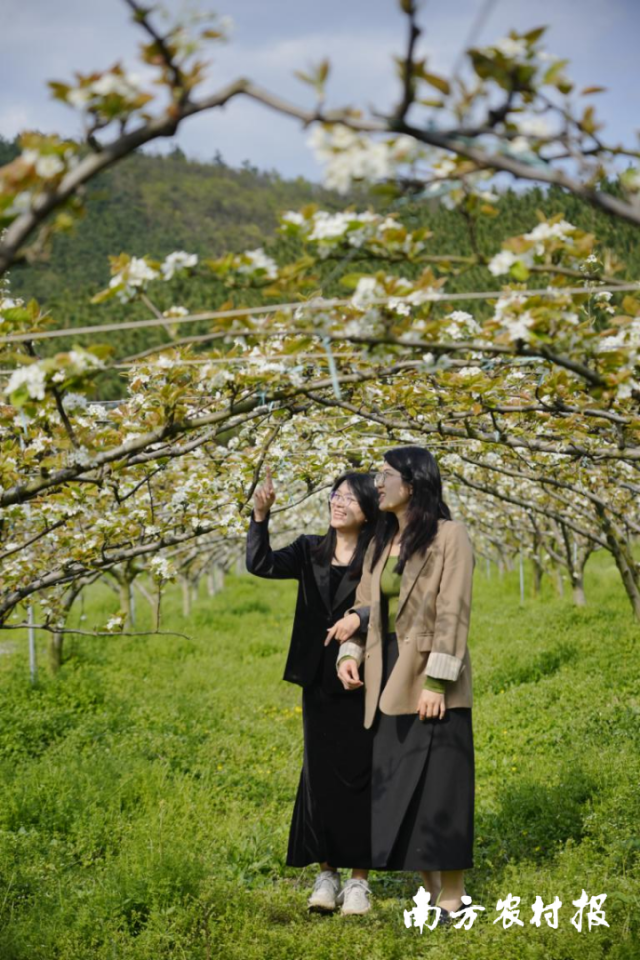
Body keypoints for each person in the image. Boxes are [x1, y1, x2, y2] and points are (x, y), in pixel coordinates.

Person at [328, 445, 475, 924]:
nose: (377, 483)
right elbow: (366, 603)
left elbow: (453, 610)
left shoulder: (450, 536)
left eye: (385, 474)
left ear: (413, 482)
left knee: (442, 786)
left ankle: (452, 893)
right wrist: (349, 653)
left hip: (431, 672)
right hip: (385, 672)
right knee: (399, 783)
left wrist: (437, 681)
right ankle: (428, 883)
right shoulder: (380, 540)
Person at [246, 465, 380, 915]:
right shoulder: (308, 550)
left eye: (350, 498)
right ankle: (327, 873)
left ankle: (359, 880)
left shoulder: (378, 557)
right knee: (320, 775)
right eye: (335, 495)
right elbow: (260, 564)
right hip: (317, 680)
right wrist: (260, 517)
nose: (338, 502)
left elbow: (392, 604)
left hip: (364, 675)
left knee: (361, 773)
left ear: (368, 511)